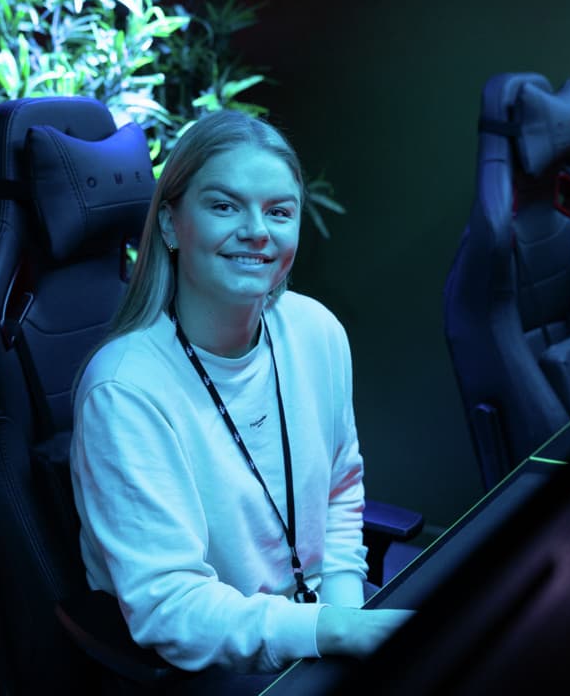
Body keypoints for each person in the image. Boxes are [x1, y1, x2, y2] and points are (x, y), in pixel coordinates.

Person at [68, 108, 412, 689]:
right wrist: (335, 632)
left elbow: (340, 491)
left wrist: (348, 618)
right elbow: (171, 607)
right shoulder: (123, 388)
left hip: (317, 628)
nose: (257, 230)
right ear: (172, 224)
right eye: (225, 206)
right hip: (211, 668)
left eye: (279, 211)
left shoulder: (317, 331)